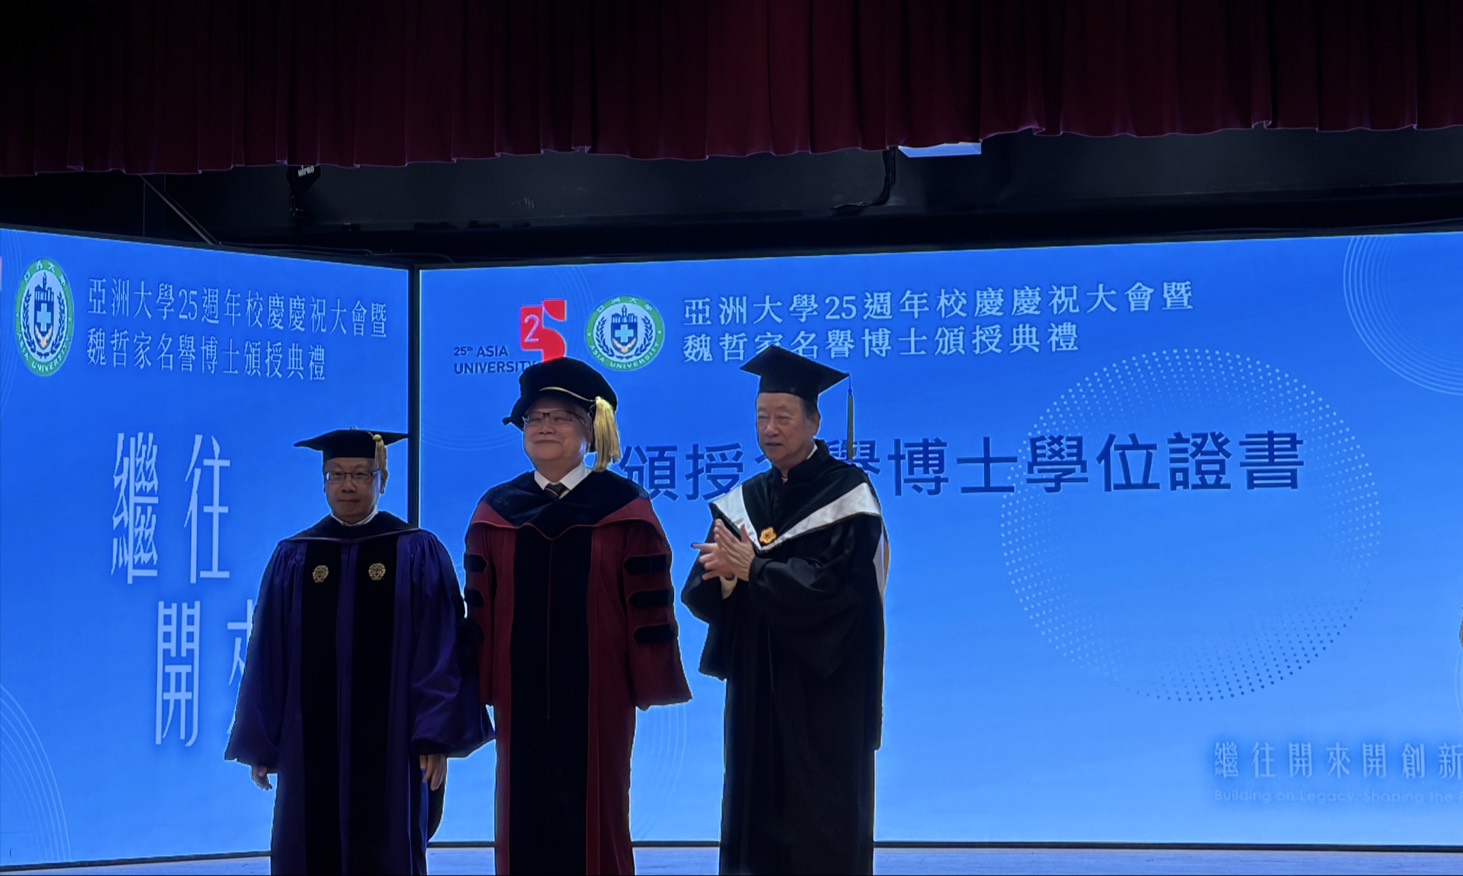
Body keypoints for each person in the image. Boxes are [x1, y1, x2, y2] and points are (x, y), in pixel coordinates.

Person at [226, 428, 492, 875]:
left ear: (381, 481)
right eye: (336, 475)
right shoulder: (296, 556)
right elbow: (269, 655)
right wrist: (262, 741)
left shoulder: (416, 551)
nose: (347, 485)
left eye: (360, 474)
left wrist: (435, 735)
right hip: (309, 745)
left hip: (394, 743)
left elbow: (441, 646)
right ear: (324, 483)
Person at [464, 356, 692, 875]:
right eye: (534, 417)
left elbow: (648, 604)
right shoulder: (496, 512)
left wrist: (646, 677)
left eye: (561, 417)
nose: (544, 426)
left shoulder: (623, 508)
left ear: (591, 429)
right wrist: (477, 683)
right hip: (519, 696)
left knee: (599, 809)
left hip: (601, 695)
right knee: (519, 810)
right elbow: (480, 609)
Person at [682, 346, 890, 876]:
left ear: (814, 422)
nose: (769, 429)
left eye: (783, 417)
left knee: (821, 818)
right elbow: (703, 588)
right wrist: (727, 579)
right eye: (761, 417)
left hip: (825, 691)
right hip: (756, 687)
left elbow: (843, 591)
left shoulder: (849, 496)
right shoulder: (745, 501)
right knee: (753, 808)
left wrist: (756, 570)